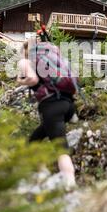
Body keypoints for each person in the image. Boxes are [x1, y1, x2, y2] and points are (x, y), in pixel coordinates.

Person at [17, 35, 76, 188]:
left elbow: (33, 80)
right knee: (34, 140)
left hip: (52, 106)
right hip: (68, 104)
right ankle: (42, 173)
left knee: (61, 149)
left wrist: (20, 80)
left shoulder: (26, 60)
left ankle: (70, 184)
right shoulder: (53, 57)